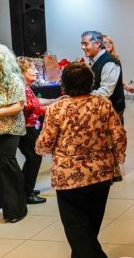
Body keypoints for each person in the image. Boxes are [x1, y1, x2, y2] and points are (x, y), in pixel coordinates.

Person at [36, 62, 127, 257]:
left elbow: (44, 143)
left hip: (69, 177)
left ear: (64, 83)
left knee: (77, 229)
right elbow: (119, 136)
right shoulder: (103, 104)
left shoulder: (57, 108)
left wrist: (41, 149)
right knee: (90, 227)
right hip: (101, 174)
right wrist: (118, 158)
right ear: (90, 82)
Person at [0, 44, 28, 223]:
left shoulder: (14, 79)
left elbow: (18, 106)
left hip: (9, 130)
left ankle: (16, 209)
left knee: (6, 167)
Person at [16, 57, 47, 204]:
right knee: (34, 157)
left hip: (29, 127)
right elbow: (35, 108)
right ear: (22, 72)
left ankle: (25, 189)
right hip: (25, 129)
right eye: (32, 68)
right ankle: (27, 193)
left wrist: (55, 101)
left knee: (32, 158)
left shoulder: (26, 87)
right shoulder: (21, 88)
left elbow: (36, 105)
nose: (36, 71)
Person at [81, 31, 126, 120]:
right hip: (100, 109)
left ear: (97, 44)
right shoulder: (95, 60)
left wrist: (82, 96)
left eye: (86, 44)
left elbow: (105, 92)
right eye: (82, 44)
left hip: (111, 111)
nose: (82, 47)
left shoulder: (109, 62)